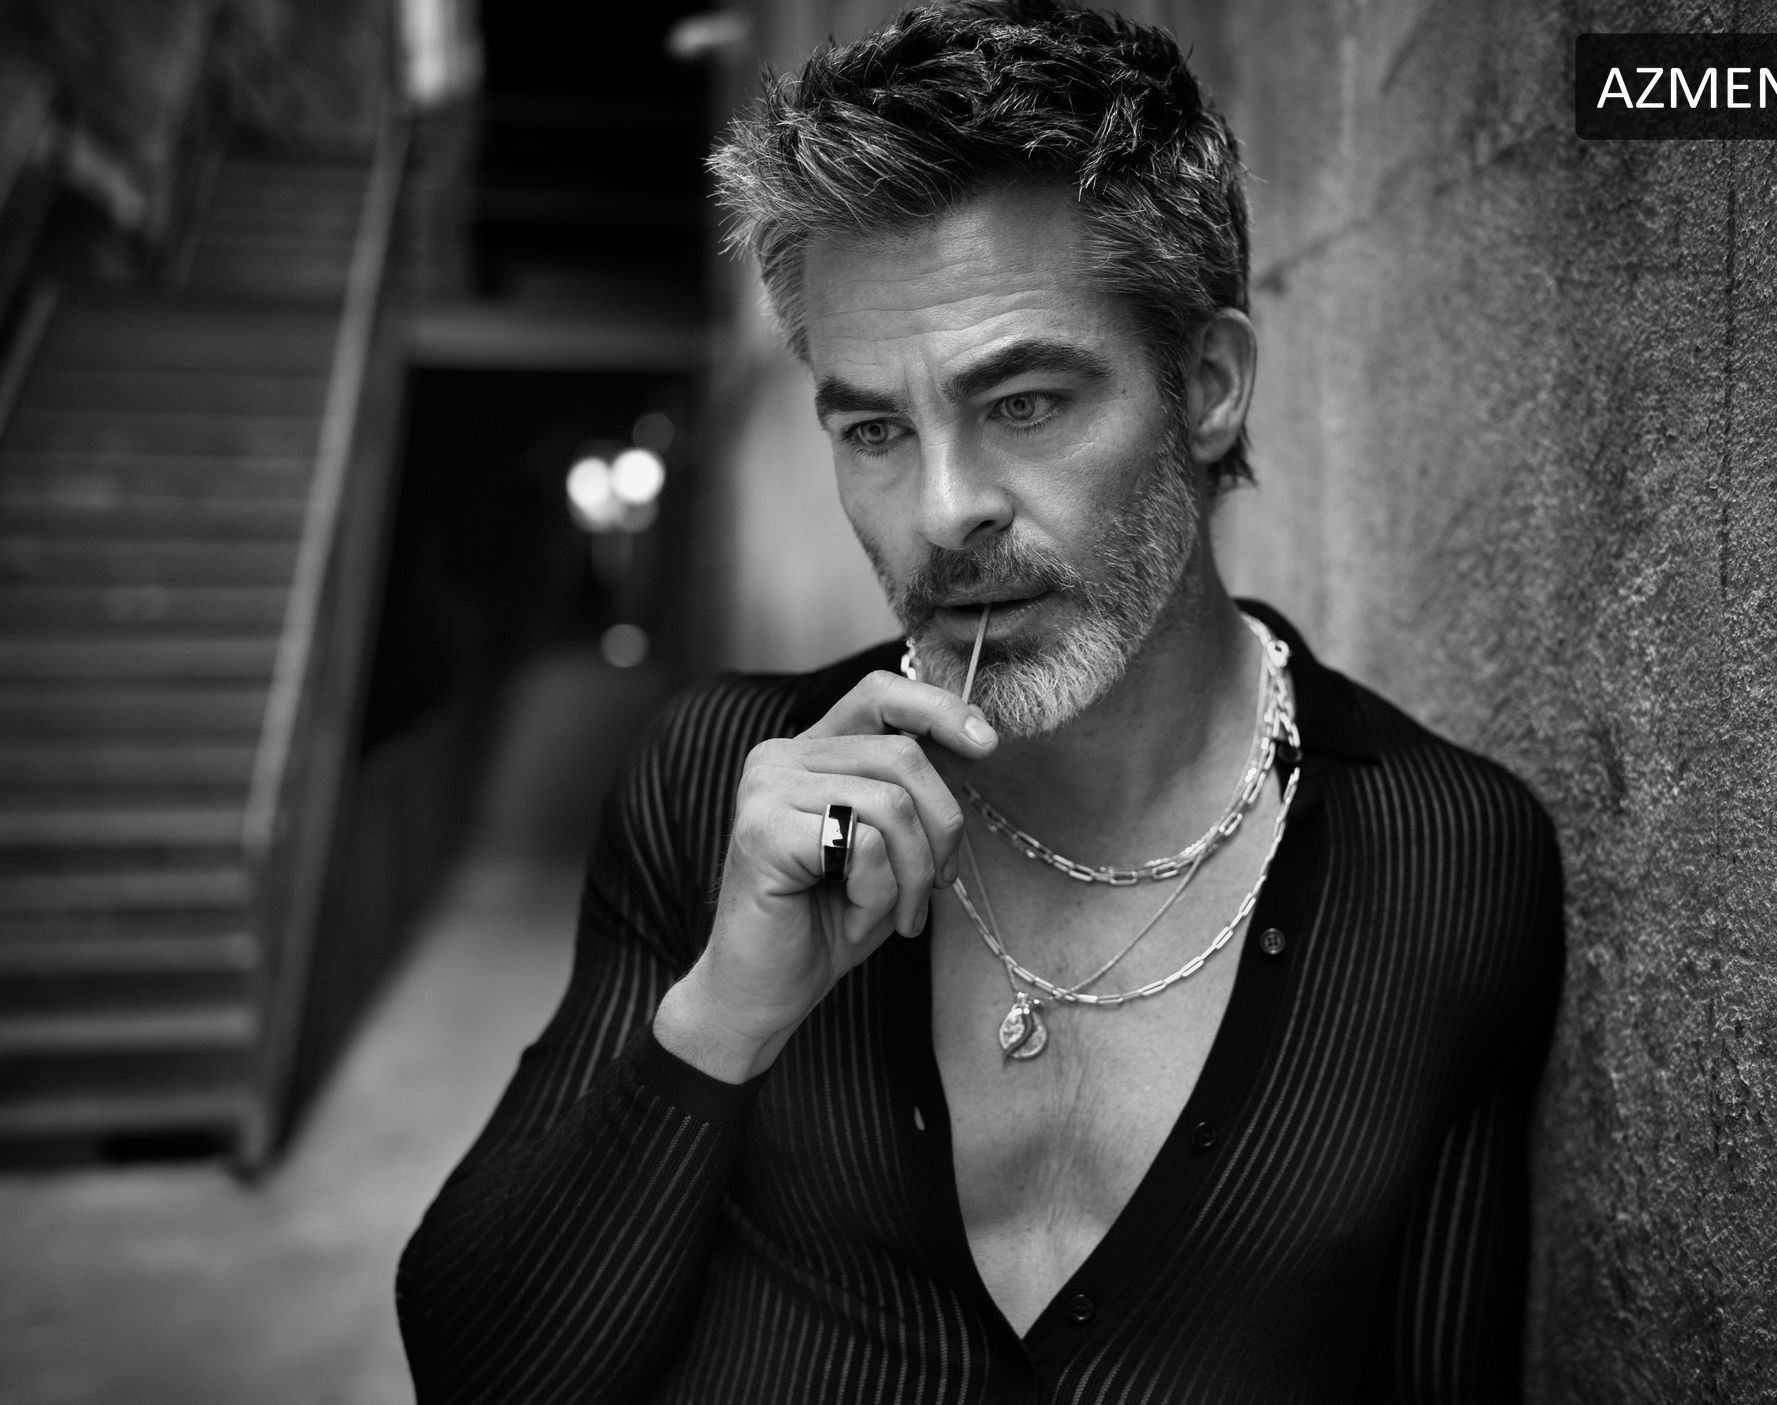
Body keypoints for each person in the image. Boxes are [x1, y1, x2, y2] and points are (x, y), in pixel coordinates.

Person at [397, 3, 1564, 1400]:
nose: (944, 512)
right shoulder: (724, 782)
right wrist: (721, 1022)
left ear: (1207, 386)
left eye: (1024, 403)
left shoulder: (1449, 863)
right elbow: (482, 1373)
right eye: (875, 429)